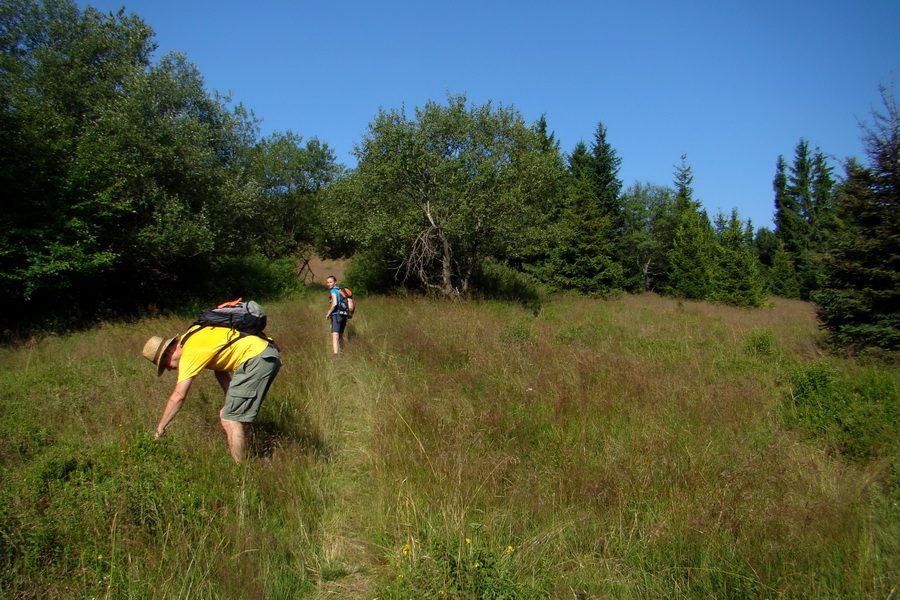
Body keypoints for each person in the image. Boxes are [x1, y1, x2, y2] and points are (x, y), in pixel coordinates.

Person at [141, 324, 281, 463]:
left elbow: (179, 396)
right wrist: (231, 401)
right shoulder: (194, 334)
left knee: (229, 418)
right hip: (265, 353)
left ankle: (241, 470)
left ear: (169, 351)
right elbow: (220, 369)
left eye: (165, 364)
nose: (169, 369)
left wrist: (160, 429)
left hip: (256, 358)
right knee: (232, 414)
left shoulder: (190, 352)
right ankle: (254, 455)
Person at [325, 275, 348, 356]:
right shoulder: (340, 291)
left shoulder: (333, 291)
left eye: (330, 282)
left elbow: (334, 303)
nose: (328, 284)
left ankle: (335, 356)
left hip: (336, 315)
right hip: (343, 315)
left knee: (335, 335)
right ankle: (343, 354)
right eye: (327, 282)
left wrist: (328, 313)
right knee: (340, 336)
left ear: (335, 282)